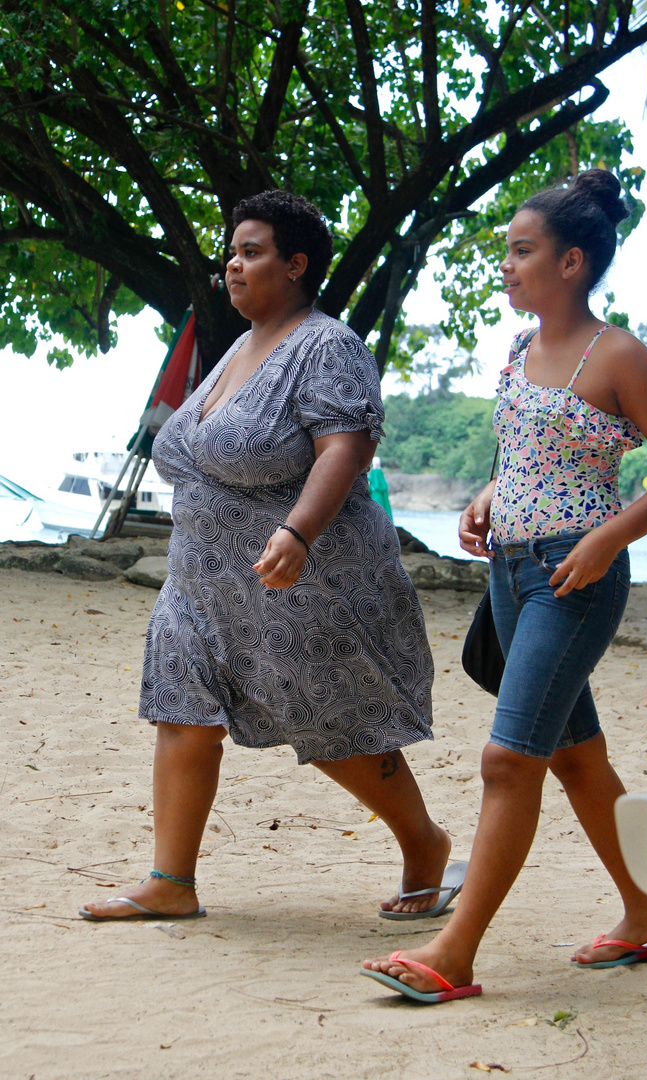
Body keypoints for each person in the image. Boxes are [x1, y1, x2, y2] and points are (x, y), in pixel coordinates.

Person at [362, 169, 647, 1001]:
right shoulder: (520, 351)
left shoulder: (618, 354)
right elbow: (525, 453)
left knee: (507, 761)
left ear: (572, 263)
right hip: (513, 577)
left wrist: (604, 540)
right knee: (576, 759)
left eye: (523, 252)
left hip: (574, 577)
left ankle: (453, 954)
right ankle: (643, 907)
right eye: (507, 252)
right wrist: (487, 497)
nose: (508, 267)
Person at [81, 190, 462, 923]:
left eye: (251, 251)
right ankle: (172, 881)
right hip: (200, 582)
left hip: (297, 582)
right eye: (231, 250)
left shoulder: (326, 344)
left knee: (333, 722)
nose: (232, 262)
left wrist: (297, 531)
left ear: (296, 265)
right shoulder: (237, 347)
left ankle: (424, 844)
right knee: (181, 712)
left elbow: (345, 446)